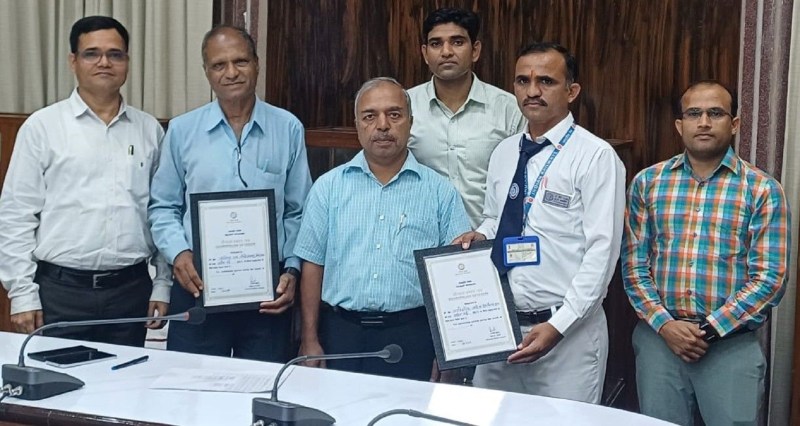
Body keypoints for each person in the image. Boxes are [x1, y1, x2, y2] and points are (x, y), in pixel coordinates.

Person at [455, 42, 626, 403]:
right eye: (523, 81)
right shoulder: (504, 152)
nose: (532, 91)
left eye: (546, 81)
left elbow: (602, 253)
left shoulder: (595, 156)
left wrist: (558, 326)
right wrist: (480, 234)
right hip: (499, 328)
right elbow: (495, 218)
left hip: (566, 335)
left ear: (571, 91)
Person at [621, 80, 789, 425]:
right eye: (693, 114)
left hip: (730, 346)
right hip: (659, 342)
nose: (704, 122)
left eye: (716, 113)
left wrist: (709, 329)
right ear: (679, 125)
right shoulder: (647, 183)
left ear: (735, 124)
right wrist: (666, 325)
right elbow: (633, 266)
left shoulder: (762, 190)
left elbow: (770, 278)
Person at [0, 16, 170, 346]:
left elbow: (162, 211)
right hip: (59, 293)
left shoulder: (149, 130)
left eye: (115, 54)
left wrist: (162, 283)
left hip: (131, 292)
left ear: (127, 62)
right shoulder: (42, 127)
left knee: (127, 378)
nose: (104, 62)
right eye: (92, 53)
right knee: (55, 379)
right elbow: (16, 215)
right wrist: (21, 293)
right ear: (73, 61)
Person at [148, 25, 312, 362]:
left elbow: (299, 211)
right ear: (206, 71)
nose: (231, 72)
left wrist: (292, 270)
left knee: (264, 385)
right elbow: (163, 206)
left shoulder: (288, 128)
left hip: (268, 290)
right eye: (219, 65)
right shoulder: (182, 130)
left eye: (240, 61)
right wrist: (179, 253)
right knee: (192, 386)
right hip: (197, 284)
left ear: (257, 64)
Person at [294, 77, 471, 381]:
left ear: (410, 122)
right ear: (357, 125)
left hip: (413, 336)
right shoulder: (328, 188)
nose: (383, 125)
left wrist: (449, 351)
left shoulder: (440, 192)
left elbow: (455, 277)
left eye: (394, 114)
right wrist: (309, 337)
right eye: (370, 116)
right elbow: (313, 265)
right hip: (340, 333)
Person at [408, 8, 525, 228]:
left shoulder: (509, 109)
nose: (446, 52)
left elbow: (524, 180)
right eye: (436, 44)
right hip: (423, 235)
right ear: (425, 53)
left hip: (487, 237)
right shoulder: (405, 107)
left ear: (475, 51)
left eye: (457, 42)